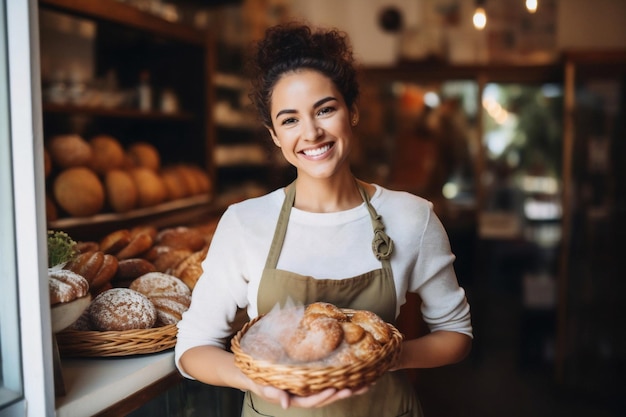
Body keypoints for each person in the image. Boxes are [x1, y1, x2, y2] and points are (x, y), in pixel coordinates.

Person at [175, 22, 473, 416]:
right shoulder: (244, 223)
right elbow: (192, 347)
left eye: (325, 110)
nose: (312, 132)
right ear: (275, 135)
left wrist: (382, 360)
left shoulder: (411, 217)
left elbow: (456, 334)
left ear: (352, 112)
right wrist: (258, 379)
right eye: (290, 120)